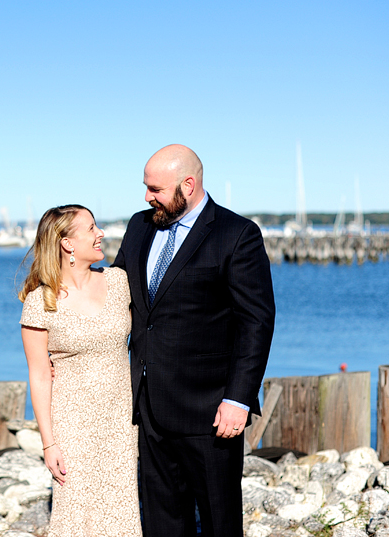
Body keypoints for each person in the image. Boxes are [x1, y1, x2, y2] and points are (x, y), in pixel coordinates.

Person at [113, 145, 275, 537]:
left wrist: (238, 399)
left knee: (219, 521)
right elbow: (114, 292)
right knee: (161, 520)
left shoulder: (236, 235)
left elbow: (256, 321)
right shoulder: (140, 225)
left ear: (189, 184)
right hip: (149, 404)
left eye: (156, 189)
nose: (147, 196)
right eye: (146, 187)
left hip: (210, 410)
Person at [19, 204, 142, 537]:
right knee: (75, 513)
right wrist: (49, 443)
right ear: (67, 244)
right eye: (91, 228)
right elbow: (40, 374)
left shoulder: (119, 283)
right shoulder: (40, 301)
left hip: (121, 418)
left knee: (122, 507)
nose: (100, 233)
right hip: (71, 422)